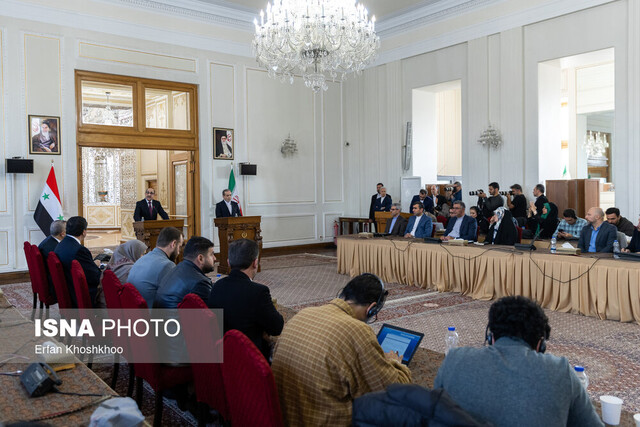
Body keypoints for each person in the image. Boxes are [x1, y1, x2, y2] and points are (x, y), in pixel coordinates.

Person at [434, 296, 603, 427]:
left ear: (490, 337)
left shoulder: (454, 360)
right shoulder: (560, 372)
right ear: (540, 345)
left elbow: (431, 414)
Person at [272, 273, 411, 426]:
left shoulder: (304, 313)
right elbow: (393, 390)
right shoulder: (357, 330)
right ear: (371, 309)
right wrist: (395, 362)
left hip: (283, 418)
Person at [207, 239, 283, 361]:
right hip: (249, 361)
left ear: (229, 263)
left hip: (220, 354)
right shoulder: (259, 292)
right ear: (255, 263)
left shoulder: (216, 286)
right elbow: (277, 327)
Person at [128, 227, 183, 308]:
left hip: (134, 314)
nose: (179, 252)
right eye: (179, 246)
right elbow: (174, 299)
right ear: (173, 244)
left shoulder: (142, 259)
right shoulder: (167, 265)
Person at [154, 236, 215, 308]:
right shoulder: (201, 282)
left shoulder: (176, 268)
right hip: (178, 318)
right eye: (211, 254)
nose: (215, 258)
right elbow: (211, 312)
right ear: (200, 258)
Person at [53, 216, 101, 307]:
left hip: (68, 289)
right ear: (84, 232)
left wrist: (91, 265)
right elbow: (95, 278)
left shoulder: (61, 244)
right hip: (80, 294)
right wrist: (97, 267)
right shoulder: (80, 250)